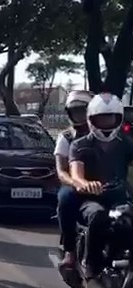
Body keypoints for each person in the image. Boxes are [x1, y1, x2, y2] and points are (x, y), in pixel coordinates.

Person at [68, 92, 133, 288]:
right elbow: (75, 173)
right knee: (98, 216)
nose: (106, 123)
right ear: (91, 119)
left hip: (120, 199)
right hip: (90, 199)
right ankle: (91, 270)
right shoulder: (80, 145)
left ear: (119, 118)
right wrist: (86, 183)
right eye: (102, 118)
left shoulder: (127, 144)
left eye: (111, 118)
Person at [55, 90, 92, 268]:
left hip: (104, 183)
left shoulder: (103, 135)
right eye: (75, 111)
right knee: (65, 198)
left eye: (82, 111)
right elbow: (61, 171)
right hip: (74, 184)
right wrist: (76, 183)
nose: (79, 115)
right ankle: (70, 251)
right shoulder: (67, 137)